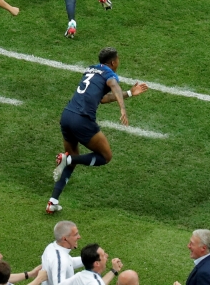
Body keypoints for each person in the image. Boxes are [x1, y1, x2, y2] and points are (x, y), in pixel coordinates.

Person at [48, 48, 149, 214]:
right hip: (82, 120)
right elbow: (114, 86)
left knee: (71, 159)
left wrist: (130, 93)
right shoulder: (110, 74)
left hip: (67, 116)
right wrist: (122, 108)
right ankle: (68, 159)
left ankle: (53, 201)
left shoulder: (91, 69)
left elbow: (102, 98)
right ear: (113, 62)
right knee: (105, 156)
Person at [41, 221, 83, 285]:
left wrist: (93, 258)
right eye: (75, 234)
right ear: (65, 239)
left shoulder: (51, 247)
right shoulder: (59, 260)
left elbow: (69, 263)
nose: (79, 237)